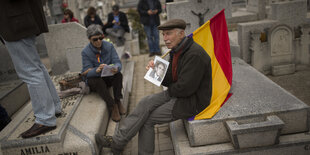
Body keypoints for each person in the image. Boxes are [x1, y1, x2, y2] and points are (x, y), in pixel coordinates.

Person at [95, 19, 212, 155]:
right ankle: (118, 141)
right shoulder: (176, 50)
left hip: (192, 101)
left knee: (148, 119)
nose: (165, 39)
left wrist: (167, 92)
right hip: (179, 93)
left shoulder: (194, 55)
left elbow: (185, 89)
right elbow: (171, 79)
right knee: (145, 102)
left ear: (181, 34)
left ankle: (121, 144)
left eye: (168, 34)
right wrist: (157, 69)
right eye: (163, 35)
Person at [0, 0, 62, 138]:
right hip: (21, 19)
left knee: (30, 71)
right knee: (36, 67)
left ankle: (45, 119)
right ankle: (54, 106)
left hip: (15, 22)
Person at [81, 24, 126, 122]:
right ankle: (112, 105)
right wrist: (96, 70)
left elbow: (117, 61)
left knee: (118, 75)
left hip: (108, 75)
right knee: (96, 80)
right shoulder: (85, 52)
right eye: (95, 39)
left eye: (100, 38)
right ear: (89, 40)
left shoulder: (109, 46)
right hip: (96, 79)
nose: (98, 41)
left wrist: (116, 68)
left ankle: (118, 100)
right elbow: (86, 72)